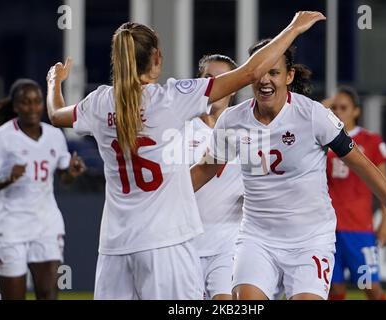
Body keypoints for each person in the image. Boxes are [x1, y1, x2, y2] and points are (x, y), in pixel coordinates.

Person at [45, 12, 327, 299]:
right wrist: (292, 29)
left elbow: (56, 115)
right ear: (157, 57)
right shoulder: (172, 98)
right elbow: (250, 72)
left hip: (114, 246)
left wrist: (54, 82)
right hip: (166, 242)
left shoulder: (99, 102)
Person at [190, 39, 386, 300]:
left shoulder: (313, 115)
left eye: (274, 72)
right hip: (256, 238)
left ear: (289, 76)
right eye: (259, 71)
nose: (265, 80)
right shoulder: (233, 120)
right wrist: (161, 196)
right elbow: (205, 171)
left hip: (310, 240)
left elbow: (362, 165)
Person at [0, 79, 86, 300]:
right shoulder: (3, 137)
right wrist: (8, 179)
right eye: (26, 102)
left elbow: (63, 179)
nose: (32, 107)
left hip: (46, 225)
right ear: (16, 106)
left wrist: (71, 173)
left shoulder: (54, 135)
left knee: (48, 294)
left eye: (37, 102)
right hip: (10, 227)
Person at [325, 86, 386, 300]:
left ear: (356, 111)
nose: (338, 111)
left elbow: (382, 183)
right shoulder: (323, 140)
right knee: (333, 289)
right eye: (334, 107)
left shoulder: (371, 141)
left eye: (344, 107)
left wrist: (385, 221)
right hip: (328, 230)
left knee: (369, 286)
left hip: (359, 229)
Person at [189, 54, 243, 300]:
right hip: (185, 246)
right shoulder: (179, 129)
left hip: (228, 246)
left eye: (223, 79)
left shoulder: (248, 132)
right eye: (209, 79)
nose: (216, 85)